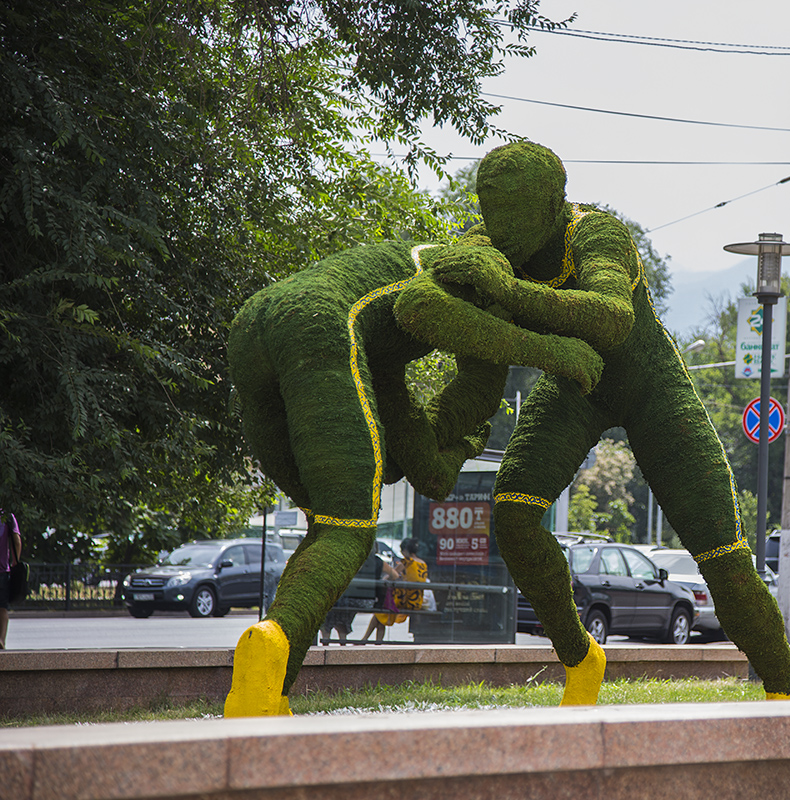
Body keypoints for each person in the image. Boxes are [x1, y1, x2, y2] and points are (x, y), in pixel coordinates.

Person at [430, 141, 790, 705]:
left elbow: (610, 316)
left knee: (723, 559)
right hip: (576, 383)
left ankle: (787, 690)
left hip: (653, 389)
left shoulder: (597, 234)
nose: (498, 227)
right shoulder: (487, 248)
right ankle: (581, 657)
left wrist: (507, 290)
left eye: (515, 214)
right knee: (512, 518)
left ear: (555, 206)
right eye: (489, 209)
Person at [223, 240, 603, 717]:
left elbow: (425, 472)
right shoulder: (474, 265)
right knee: (347, 530)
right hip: (320, 323)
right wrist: (553, 351)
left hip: (253, 324)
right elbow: (428, 312)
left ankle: (267, 689)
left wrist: (460, 445)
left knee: (329, 527)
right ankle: (271, 649)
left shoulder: (377, 365)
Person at [360, 538, 429, 643]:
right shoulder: (423, 563)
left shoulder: (406, 562)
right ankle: (376, 642)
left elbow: (392, 575)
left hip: (405, 600)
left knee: (380, 610)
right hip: (416, 601)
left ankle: (365, 639)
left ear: (405, 551)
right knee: (380, 615)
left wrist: (384, 579)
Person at [0, 509, 22, 649]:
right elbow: (17, 540)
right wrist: (15, 562)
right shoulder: (7, 515)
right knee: (2, 607)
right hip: (2, 570)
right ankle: (1, 639)